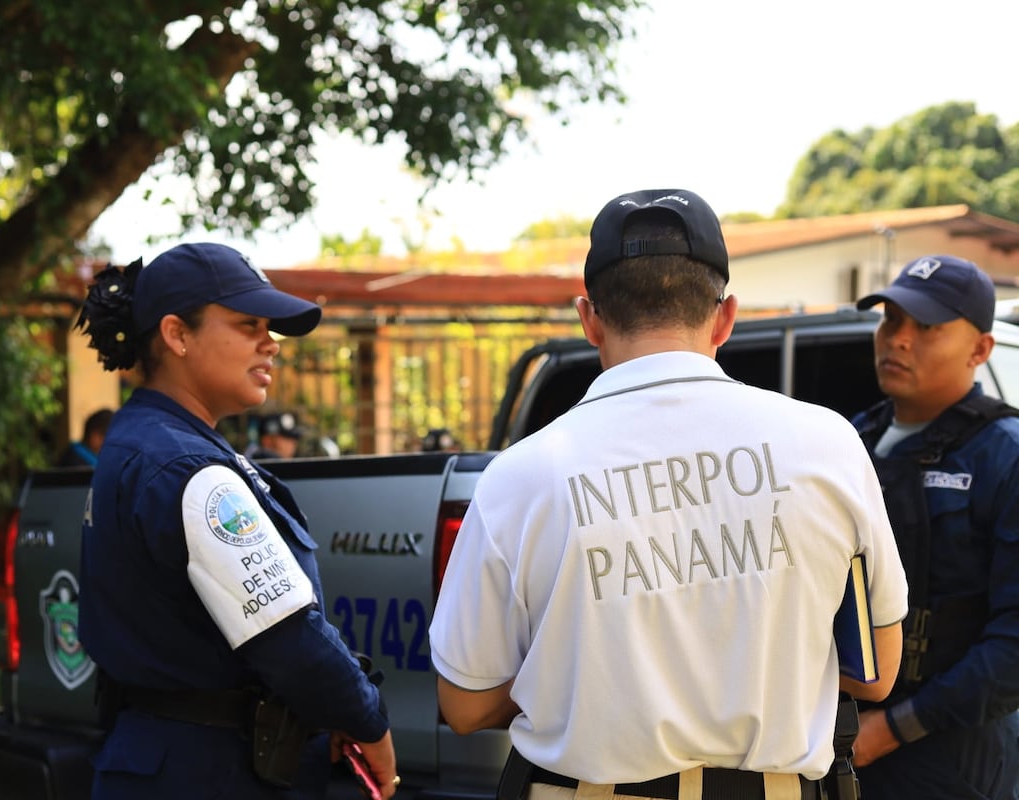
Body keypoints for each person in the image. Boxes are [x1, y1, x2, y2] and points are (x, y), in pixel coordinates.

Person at [427, 188, 909, 800]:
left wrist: (575, 677)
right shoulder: (829, 445)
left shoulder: (519, 475)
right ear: (726, 316)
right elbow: (876, 673)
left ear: (590, 319)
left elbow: (465, 705)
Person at [72, 242, 398, 799]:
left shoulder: (140, 440)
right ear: (177, 335)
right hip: (209, 770)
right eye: (247, 324)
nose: (270, 343)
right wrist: (368, 718)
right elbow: (289, 637)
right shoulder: (190, 470)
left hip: (162, 759)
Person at [851, 255, 1019, 799]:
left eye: (926, 327)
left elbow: (1013, 646)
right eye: (891, 319)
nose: (898, 339)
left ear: (980, 350)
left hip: (954, 759)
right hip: (846, 746)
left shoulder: (1004, 457)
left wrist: (895, 728)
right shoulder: (850, 440)